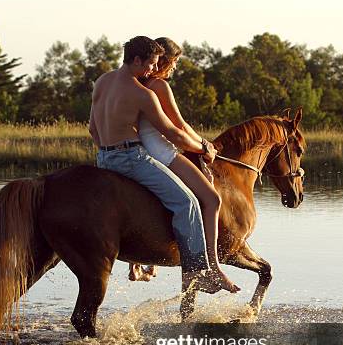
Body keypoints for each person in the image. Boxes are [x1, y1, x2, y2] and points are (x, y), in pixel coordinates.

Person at [89, 36, 235, 294]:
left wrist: (107, 154)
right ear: (137, 59)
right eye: (150, 64)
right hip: (132, 157)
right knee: (187, 202)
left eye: (157, 64)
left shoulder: (102, 81)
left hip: (103, 157)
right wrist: (204, 147)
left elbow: (92, 129)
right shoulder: (142, 93)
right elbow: (175, 133)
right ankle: (198, 270)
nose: (152, 70)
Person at [134, 37, 239, 293]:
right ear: (166, 60)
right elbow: (179, 127)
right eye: (176, 62)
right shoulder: (159, 85)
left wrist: (201, 143)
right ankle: (212, 266)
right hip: (161, 153)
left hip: (141, 151)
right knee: (212, 200)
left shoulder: (136, 83)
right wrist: (205, 147)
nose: (175, 68)